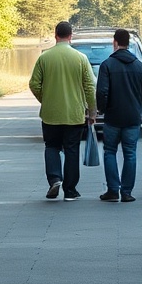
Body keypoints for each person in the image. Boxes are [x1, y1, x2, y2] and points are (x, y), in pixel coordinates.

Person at [28, 20, 96, 201]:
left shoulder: (44, 58)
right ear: (71, 36)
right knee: (72, 150)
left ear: (55, 35)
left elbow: (34, 84)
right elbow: (90, 86)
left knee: (51, 147)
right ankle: (70, 190)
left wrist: (46, 99)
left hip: (51, 114)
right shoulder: (81, 58)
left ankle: (55, 178)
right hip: (74, 114)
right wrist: (92, 111)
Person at [95, 29, 142, 203]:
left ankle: (113, 190)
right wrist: (138, 105)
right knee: (130, 154)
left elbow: (102, 91)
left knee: (109, 152)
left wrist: (102, 109)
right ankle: (127, 192)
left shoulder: (107, 65)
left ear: (115, 42)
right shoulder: (139, 66)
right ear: (128, 43)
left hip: (113, 117)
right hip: (132, 118)